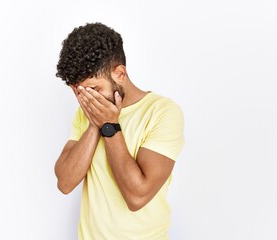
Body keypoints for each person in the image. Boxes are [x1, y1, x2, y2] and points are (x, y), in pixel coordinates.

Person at [54, 22, 185, 240]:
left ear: (120, 74)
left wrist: (110, 126)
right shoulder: (86, 114)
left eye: (94, 90)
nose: (88, 100)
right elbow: (65, 183)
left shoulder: (162, 112)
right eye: (80, 92)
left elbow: (137, 196)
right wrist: (95, 125)